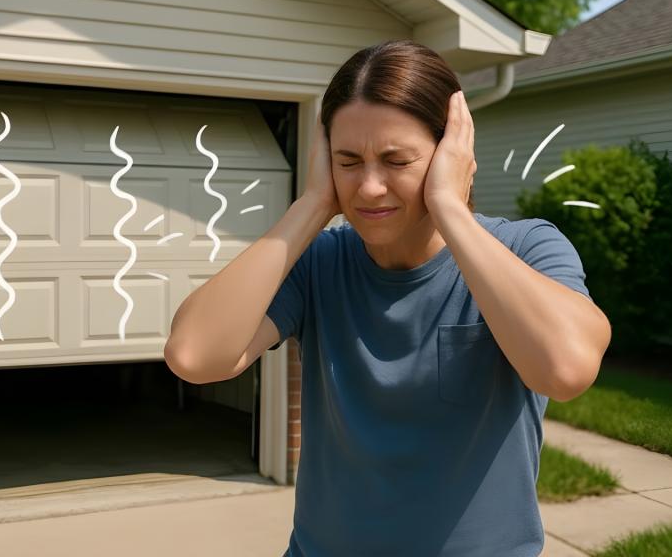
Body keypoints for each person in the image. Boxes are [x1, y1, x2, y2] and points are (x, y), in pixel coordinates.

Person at [164, 39, 611, 556]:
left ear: (451, 154)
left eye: (396, 160)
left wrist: (450, 206)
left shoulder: (527, 248)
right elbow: (194, 356)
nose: (370, 187)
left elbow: (567, 369)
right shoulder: (318, 263)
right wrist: (312, 203)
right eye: (348, 161)